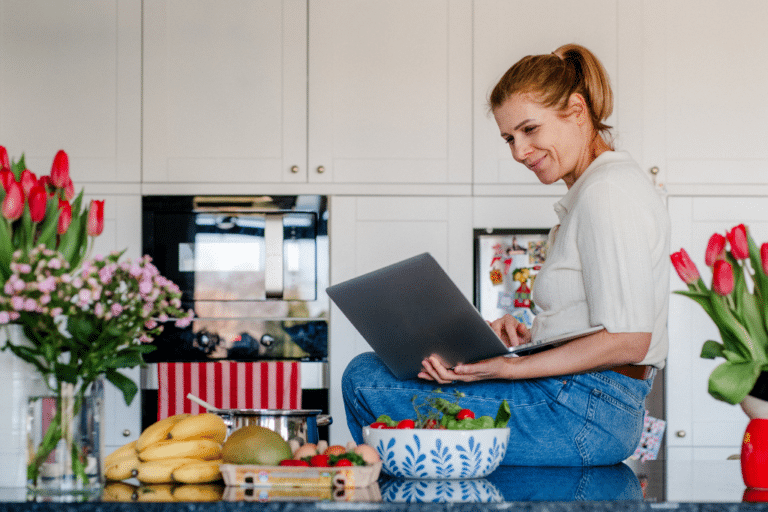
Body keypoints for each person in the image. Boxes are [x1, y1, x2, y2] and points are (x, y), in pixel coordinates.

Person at [342, 44, 670, 466]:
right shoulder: (597, 191)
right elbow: (604, 325)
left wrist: (509, 368)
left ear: (576, 110)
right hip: (585, 404)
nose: (519, 151)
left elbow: (629, 339)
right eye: (509, 138)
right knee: (391, 373)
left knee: (365, 378)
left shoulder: (607, 192)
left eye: (530, 129)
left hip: (585, 412)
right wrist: (533, 342)